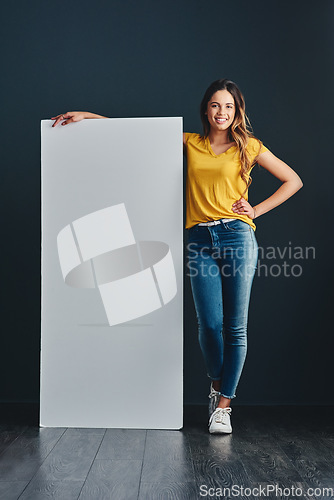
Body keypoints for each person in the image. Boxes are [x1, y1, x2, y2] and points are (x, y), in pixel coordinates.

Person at [51, 78, 303, 434]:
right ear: (206, 109)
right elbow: (137, 135)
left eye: (229, 106)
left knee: (236, 327)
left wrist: (256, 211)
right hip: (199, 239)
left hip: (236, 235)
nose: (222, 112)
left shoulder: (249, 147)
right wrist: (87, 117)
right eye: (216, 105)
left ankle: (224, 407)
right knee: (209, 326)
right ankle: (216, 385)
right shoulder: (191, 143)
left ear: (237, 111)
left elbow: (293, 180)